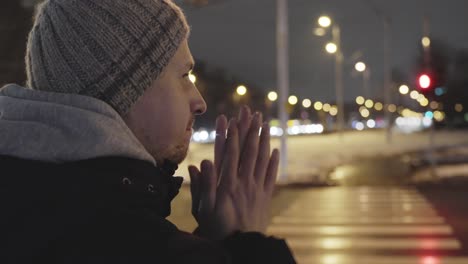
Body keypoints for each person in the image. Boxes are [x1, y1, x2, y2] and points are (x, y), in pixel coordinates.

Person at [0, 0, 296, 263]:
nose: (200, 101)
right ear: (127, 89)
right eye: (184, 76)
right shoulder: (135, 245)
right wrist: (250, 246)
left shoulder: (31, 207)